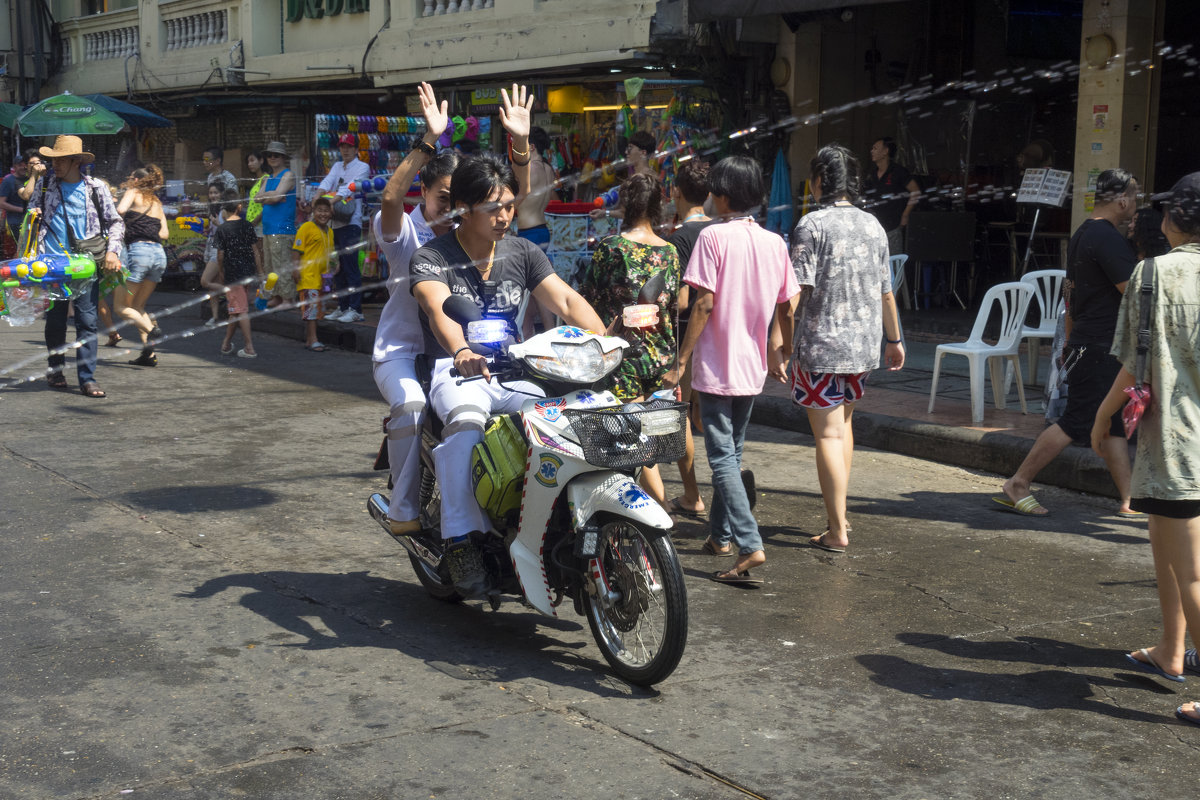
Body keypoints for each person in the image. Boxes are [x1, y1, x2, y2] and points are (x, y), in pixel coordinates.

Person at [411, 87, 605, 597]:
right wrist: (462, 352)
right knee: (467, 428)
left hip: (516, 369)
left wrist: (605, 341)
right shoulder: (434, 256)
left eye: (509, 206)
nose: (505, 216)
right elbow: (438, 312)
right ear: (466, 210)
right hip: (457, 371)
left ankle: (547, 526)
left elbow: (566, 302)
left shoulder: (521, 251)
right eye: (495, 208)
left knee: (567, 420)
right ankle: (460, 540)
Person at [1089, 172, 1200, 720]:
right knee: (1164, 539)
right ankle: (1171, 649)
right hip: (1181, 443)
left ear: (1172, 218)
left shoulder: (1153, 273)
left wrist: (1105, 414)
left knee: (1194, 569)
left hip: (1179, 442)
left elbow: (1134, 361)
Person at [660, 156, 800, 586]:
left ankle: (749, 542)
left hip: (719, 366)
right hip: (751, 366)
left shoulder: (714, 238)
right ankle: (720, 536)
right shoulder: (774, 242)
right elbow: (787, 306)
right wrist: (784, 352)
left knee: (721, 458)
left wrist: (680, 360)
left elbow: (702, 302)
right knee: (732, 453)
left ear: (721, 197)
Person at [995, 168, 1140, 517]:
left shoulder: (1083, 233)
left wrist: (1070, 341)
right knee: (1077, 420)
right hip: (1099, 345)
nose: (1135, 204)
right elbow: (1135, 294)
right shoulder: (1107, 239)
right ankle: (1019, 482)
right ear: (1121, 199)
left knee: (1115, 422)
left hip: (1089, 343)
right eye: (1135, 196)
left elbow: (1069, 294)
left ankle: (1128, 500)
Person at [789, 144, 906, 554]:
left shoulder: (812, 225)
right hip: (862, 347)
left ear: (819, 180)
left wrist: (778, 339)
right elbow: (886, 291)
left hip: (821, 348)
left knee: (828, 435)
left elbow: (795, 294)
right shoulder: (873, 225)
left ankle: (837, 529)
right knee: (845, 429)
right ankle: (838, 517)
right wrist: (895, 340)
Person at [372, 81, 458, 536]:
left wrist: (520, 145)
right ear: (424, 192)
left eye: (459, 201)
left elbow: (514, 203)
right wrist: (429, 142)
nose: (451, 210)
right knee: (410, 403)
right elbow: (389, 199)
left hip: (458, 351)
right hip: (402, 351)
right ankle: (401, 507)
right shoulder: (406, 231)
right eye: (443, 199)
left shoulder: (471, 234)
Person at [579, 172, 680, 505]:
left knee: (635, 437)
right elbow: (675, 304)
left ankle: (660, 507)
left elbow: (587, 299)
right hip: (662, 354)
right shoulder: (671, 252)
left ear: (625, 202)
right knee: (652, 429)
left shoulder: (611, 248)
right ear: (657, 206)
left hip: (625, 357)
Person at [28, 135, 125, 398]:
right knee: (56, 320)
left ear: (76, 161)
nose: (55, 165)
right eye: (53, 159)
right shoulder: (46, 184)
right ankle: (56, 368)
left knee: (87, 321)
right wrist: (32, 215)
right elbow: (31, 212)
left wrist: (113, 252)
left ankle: (87, 378)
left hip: (86, 264)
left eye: (60, 160)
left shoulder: (96, 188)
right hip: (52, 265)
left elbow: (116, 222)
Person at [664, 159, 714, 520]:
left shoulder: (679, 239)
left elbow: (682, 300)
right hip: (720, 339)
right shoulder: (719, 233)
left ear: (675, 192)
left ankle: (693, 494)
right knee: (711, 419)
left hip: (686, 339)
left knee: (681, 417)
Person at [115, 164, 169, 367]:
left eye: (131, 177)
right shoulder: (156, 202)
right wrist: (148, 228)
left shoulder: (133, 191)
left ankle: (152, 330)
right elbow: (164, 234)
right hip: (158, 255)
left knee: (121, 307)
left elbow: (120, 210)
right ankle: (149, 354)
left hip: (139, 253)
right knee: (138, 306)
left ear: (137, 180)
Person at [316, 133, 370, 322]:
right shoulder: (337, 166)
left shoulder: (363, 166)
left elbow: (351, 187)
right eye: (342, 146)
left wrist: (332, 200)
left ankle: (356, 309)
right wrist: (318, 195)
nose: (345, 150)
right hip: (335, 222)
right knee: (337, 267)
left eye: (349, 146)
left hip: (351, 223)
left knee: (350, 266)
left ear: (356, 149)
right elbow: (327, 182)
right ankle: (343, 306)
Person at [211, 188, 261, 358]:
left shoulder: (222, 229)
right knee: (236, 309)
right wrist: (259, 271)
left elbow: (220, 255)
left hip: (232, 275)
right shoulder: (247, 226)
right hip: (247, 272)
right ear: (240, 207)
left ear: (224, 209)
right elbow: (255, 251)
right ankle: (226, 344)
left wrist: (222, 272)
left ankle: (250, 347)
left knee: (241, 309)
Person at [861, 136, 920, 256]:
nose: (872, 151)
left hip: (892, 227)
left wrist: (905, 214)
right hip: (874, 228)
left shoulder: (898, 171)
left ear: (885, 151)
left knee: (893, 264)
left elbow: (915, 192)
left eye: (875, 148)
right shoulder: (871, 174)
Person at [257, 142, 298, 308]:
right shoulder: (267, 178)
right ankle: (276, 295)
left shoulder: (288, 175)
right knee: (270, 265)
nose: (272, 158)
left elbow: (274, 197)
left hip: (282, 228)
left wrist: (270, 196)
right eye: (270, 155)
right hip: (268, 227)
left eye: (276, 155)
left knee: (282, 264)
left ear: (283, 158)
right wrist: (272, 196)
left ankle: (288, 298)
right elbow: (257, 198)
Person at [292, 196, 335, 351]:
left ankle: (310, 340)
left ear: (331, 213)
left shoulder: (330, 232)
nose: (322, 214)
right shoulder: (306, 228)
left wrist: (334, 266)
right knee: (311, 310)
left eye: (326, 211)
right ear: (313, 211)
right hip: (308, 276)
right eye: (319, 210)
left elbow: (331, 254)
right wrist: (296, 269)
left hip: (323, 278)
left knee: (316, 309)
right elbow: (296, 251)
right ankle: (314, 340)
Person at [200, 182, 226, 327]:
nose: (213, 195)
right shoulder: (213, 210)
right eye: (211, 193)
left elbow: (230, 231)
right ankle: (215, 317)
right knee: (212, 286)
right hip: (210, 247)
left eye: (216, 193)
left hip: (219, 250)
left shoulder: (224, 211)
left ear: (222, 194)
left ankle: (233, 292)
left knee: (205, 281)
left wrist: (217, 224)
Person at [0, 152, 29, 259]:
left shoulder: (30, 179)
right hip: (15, 222)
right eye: (20, 165)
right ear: (15, 166)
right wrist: (22, 210)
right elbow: (1, 203)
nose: (23, 167)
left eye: (25, 164)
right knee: (23, 249)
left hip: (30, 220)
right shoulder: (8, 181)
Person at [244, 150, 268, 236]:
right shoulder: (258, 180)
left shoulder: (265, 179)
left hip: (259, 225)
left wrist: (255, 222)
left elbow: (266, 206)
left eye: (252, 160)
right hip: (253, 224)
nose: (249, 164)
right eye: (248, 162)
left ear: (261, 160)